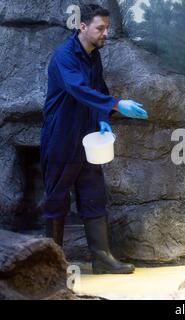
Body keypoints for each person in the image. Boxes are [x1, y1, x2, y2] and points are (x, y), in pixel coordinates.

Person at [40, 4, 147, 274]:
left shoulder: (93, 56)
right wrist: (117, 104)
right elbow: (78, 88)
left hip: (87, 136)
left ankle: (102, 259)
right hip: (61, 136)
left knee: (93, 195)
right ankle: (51, 266)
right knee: (56, 199)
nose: (105, 33)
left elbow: (97, 88)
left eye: (107, 28)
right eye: (100, 28)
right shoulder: (64, 56)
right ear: (83, 26)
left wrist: (102, 116)